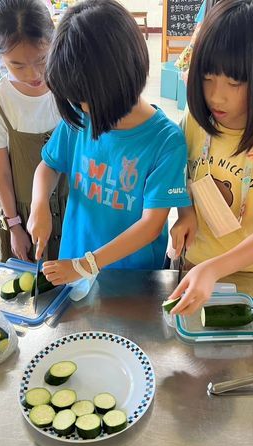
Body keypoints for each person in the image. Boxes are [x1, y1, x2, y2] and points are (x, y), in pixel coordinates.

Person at [27, 0, 191, 285]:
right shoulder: (80, 117)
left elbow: (151, 225)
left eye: (85, 99)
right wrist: (39, 203)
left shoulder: (166, 141)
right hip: (74, 263)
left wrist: (86, 265)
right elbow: (48, 166)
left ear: (122, 79)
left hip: (132, 279)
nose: (81, 107)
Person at [167, 0, 253, 316]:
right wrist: (185, 213)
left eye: (234, 82)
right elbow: (181, 177)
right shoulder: (194, 120)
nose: (216, 96)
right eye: (208, 77)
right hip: (195, 262)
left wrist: (214, 270)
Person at [0, 0, 65, 262]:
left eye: (41, 60)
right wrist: (14, 226)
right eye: (17, 65)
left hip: (74, 207)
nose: (33, 74)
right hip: (25, 216)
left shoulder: (68, 87)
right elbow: (1, 172)